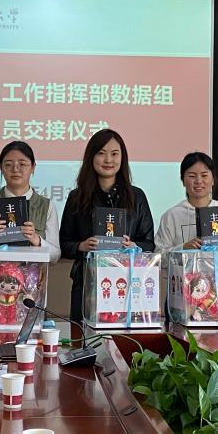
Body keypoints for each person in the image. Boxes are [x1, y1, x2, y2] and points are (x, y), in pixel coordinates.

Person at [59, 129, 155, 322]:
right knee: (84, 337)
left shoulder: (137, 197)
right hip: (87, 283)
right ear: (91, 157)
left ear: (122, 158)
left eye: (114, 154)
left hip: (126, 285)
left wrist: (134, 246)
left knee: (124, 338)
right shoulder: (77, 197)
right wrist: (81, 246)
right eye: (101, 153)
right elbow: (64, 243)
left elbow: (149, 243)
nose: (108, 160)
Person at [0, 140, 60, 263]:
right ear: (1, 168)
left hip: (33, 275)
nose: (15, 169)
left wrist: (36, 240)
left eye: (22, 164)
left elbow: (55, 256)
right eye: (8, 164)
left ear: (33, 167)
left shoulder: (47, 206)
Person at [155, 152, 218, 252]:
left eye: (204, 175)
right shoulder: (171, 216)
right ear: (182, 180)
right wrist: (183, 248)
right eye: (192, 176)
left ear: (213, 180)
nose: (199, 181)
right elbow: (159, 254)